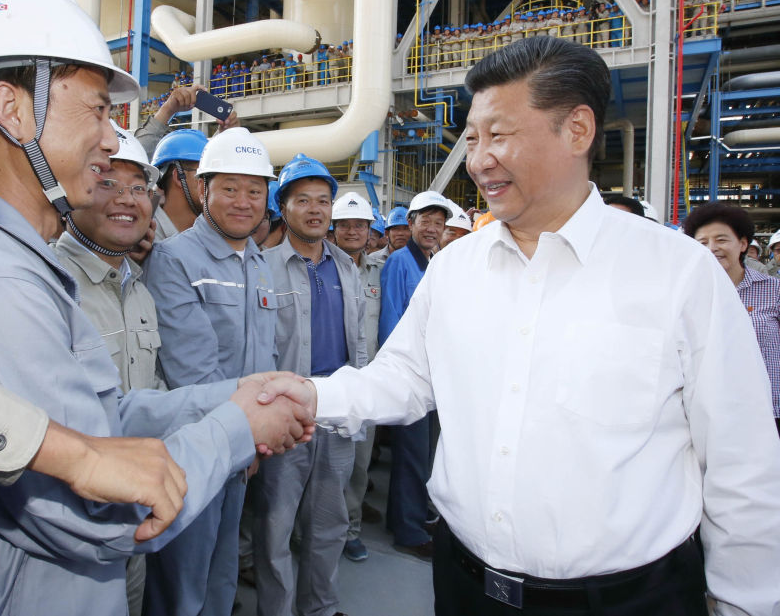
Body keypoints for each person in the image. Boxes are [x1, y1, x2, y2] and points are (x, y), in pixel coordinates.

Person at [0, 0, 311, 616]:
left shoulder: (7, 264)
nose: (111, 139)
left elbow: (94, 426)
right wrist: (238, 427)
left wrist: (226, 396)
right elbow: (103, 511)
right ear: (13, 110)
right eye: (97, 110)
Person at [262, 36, 780, 615]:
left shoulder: (678, 274)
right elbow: (404, 377)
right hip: (464, 587)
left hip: (626, 601)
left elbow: (741, 460)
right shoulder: (455, 268)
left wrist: (745, 603)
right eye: (473, 138)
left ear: (577, 130)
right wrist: (311, 396)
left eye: (499, 135)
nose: (479, 159)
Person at [144, 127, 280, 616]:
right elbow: (192, 371)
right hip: (195, 449)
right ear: (203, 189)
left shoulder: (259, 263)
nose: (243, 202)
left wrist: (254, 439)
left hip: (243, 448)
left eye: (255, 191)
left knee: (222, 571)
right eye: (230, 188)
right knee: (184, 580)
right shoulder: (174, 260)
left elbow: (266, 355)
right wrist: (245, 435)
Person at [53, 124, 166, 616]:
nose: (126, 199)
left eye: (138, 188)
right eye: (106, 182)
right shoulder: (50, 285)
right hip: (66, 527)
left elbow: (150, 391)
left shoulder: (139, 290)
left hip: (132, 514)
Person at [256, 156, 368, 616]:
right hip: (285, 415)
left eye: (323, 200)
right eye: (303, 200)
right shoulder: (262, 267)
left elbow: (359, 342)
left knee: (329, 522)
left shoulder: (347, 268)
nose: (316, 209)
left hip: (336, 410)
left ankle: (320, 607)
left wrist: (360, 404)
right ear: (283, 208)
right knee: (275, 529)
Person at [379, 190, 451, 560]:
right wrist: (397, 374)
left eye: (439, 223)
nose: (432, 228)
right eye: (426, 220)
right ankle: (407, 530)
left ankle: (415, 514)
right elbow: (391, 319)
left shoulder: (431, 261)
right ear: (411, 223)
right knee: (410, 454)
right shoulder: (399, 263)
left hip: (432, 373)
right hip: (411, 374)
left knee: (424, 453)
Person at [684, 202, 780, 436]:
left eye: (721, 240)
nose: (712, 248)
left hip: (768, 410)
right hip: (709, 413)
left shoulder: (773, 290)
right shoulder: (686, 294)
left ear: (743, 244)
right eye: (702, 242)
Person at [330, 192, 384, 562]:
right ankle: (315, 532)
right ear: (333, 229)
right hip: (330, 382)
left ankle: (350, 530)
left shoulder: (379, 272)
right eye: (345, 225)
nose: (353, 231)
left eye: (360, 225)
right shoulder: (319, 268)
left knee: (358, 465)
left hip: (367, 385)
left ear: (369, 231)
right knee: (323, 467)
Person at [151, 128, 207, 242]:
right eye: (203, 175)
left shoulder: (210, 235)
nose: (212, 184)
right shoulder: (144, 238)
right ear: (178, 177)